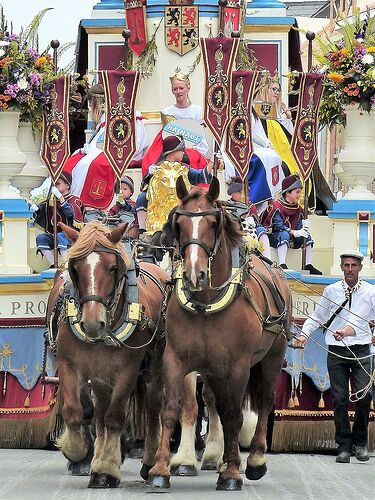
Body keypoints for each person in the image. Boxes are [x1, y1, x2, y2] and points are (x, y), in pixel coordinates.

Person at [295, 250, 373, 463]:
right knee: (339, 398)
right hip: (336, 350)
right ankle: (344, 446)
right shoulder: (331, 291)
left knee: (364, 397)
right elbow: (317, 316)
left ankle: (360, 443)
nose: (349, 269)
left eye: (353, 265)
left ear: (360, 268)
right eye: (346, 265)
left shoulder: (370, 291)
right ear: (341, 268)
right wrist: (303, 336)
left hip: (361, 350)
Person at [65, 83, 148, 210]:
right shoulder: (107, 116)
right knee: (74, 159)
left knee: (88, 164)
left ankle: (82, 202)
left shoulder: (131, 115)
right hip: (102, 151)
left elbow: (135, 141)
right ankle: (70, 198)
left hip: (121, 152)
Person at [136, 135, 213, 233]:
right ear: (173, 151)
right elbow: (145, 187)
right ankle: (142, 231)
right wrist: (150, 174)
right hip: (159, 219)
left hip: (181, 214)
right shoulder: (156, 168)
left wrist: (212, 162)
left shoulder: (184, 168)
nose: (183, 152)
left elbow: (201, 176)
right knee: (142, 197)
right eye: (181, 149)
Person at [260, 174, 322, 274]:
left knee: (308, 236)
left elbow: (298, 225)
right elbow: (278, 226)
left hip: (291, 237)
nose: (299, 195)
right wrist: (293, 232)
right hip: (276, 236)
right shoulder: (277, 206)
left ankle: (308, 264)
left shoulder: (298, 208)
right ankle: (282, 264)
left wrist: (303, 228)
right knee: (284, 235)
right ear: (288, 192)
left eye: (300, 192)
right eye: (297, 192)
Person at [32, 171, 84, 268]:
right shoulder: (52, 200)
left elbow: (70, 213)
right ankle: (53, 264)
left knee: (60, 236)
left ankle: (66, 264)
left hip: (72, 236)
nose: (55, 186)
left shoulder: (75, 200)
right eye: (54, 184)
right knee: (41, 238)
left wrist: (61, 198)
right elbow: (44, 205)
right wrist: (36, 207)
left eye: (58, 184)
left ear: (67, 186)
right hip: (57, 236)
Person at [226, 177, 271, 259]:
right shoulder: (227, 205)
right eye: (238, 192)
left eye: (242, 192)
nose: (241, 194)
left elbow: (257, 223)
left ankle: (267, 259)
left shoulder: (251, 206)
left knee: (262, 231)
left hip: (251, 230)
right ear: (232, 193)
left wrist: (252, 221)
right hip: (236, 230)